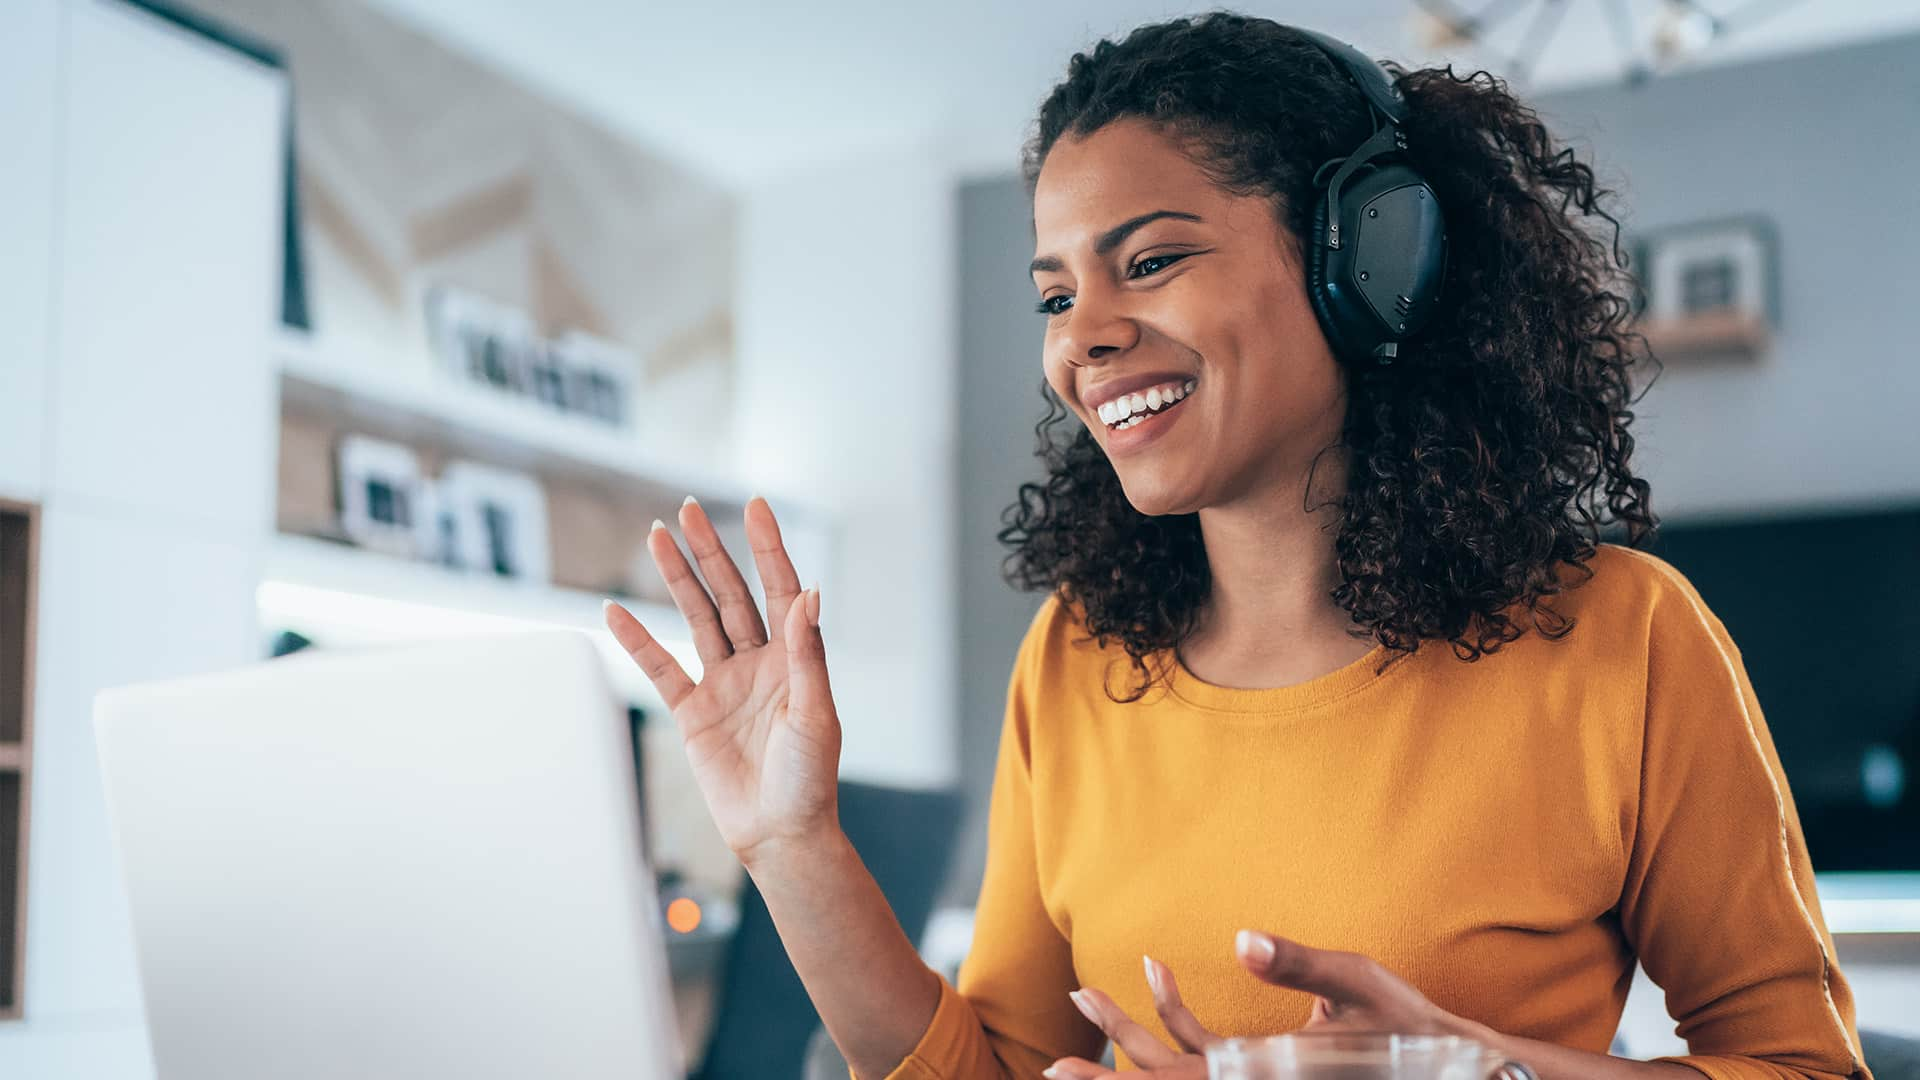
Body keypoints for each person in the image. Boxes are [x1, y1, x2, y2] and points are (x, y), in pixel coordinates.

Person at [603, 13, 1871, 1080]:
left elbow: (1807, 1065)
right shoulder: (1079, 659)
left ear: (1368, 262)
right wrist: (793, 847)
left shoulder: (1623, 635)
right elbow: (997, 1065)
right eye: (1054, 294)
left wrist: (1480, 1069)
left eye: (1149, 260)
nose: (1081, 339)